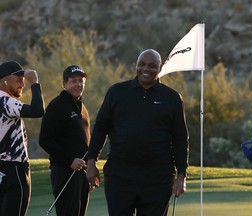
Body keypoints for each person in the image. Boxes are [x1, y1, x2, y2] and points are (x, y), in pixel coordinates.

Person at [86, 49, 189, 216]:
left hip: (158, 178)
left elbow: (180, 139)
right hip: (119, 175)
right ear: (136, 65)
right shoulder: (117, 92)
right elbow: (100, 129)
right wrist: (91, 162)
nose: (145, 69)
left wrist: (182, 175)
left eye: (152, 65)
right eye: (141, 64)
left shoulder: (172, 98)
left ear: (159, 68)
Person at [39, 65, 91, 216]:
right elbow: (45, 140)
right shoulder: (57, 106)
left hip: (81, 173)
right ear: (64, 84)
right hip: (64, 171)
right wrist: (69, 160)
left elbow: (84, 142)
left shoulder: (82, 107)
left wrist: (90, 169)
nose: (78, 84)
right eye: (73, 81)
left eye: (81, 81)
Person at [0, 60, 45, 216]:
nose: (22, 84)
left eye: (23, 81)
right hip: (14, 170)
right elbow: (37, 110)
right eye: (18, 80)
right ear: (5, 81)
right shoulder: (5, 101)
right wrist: (35, 83)